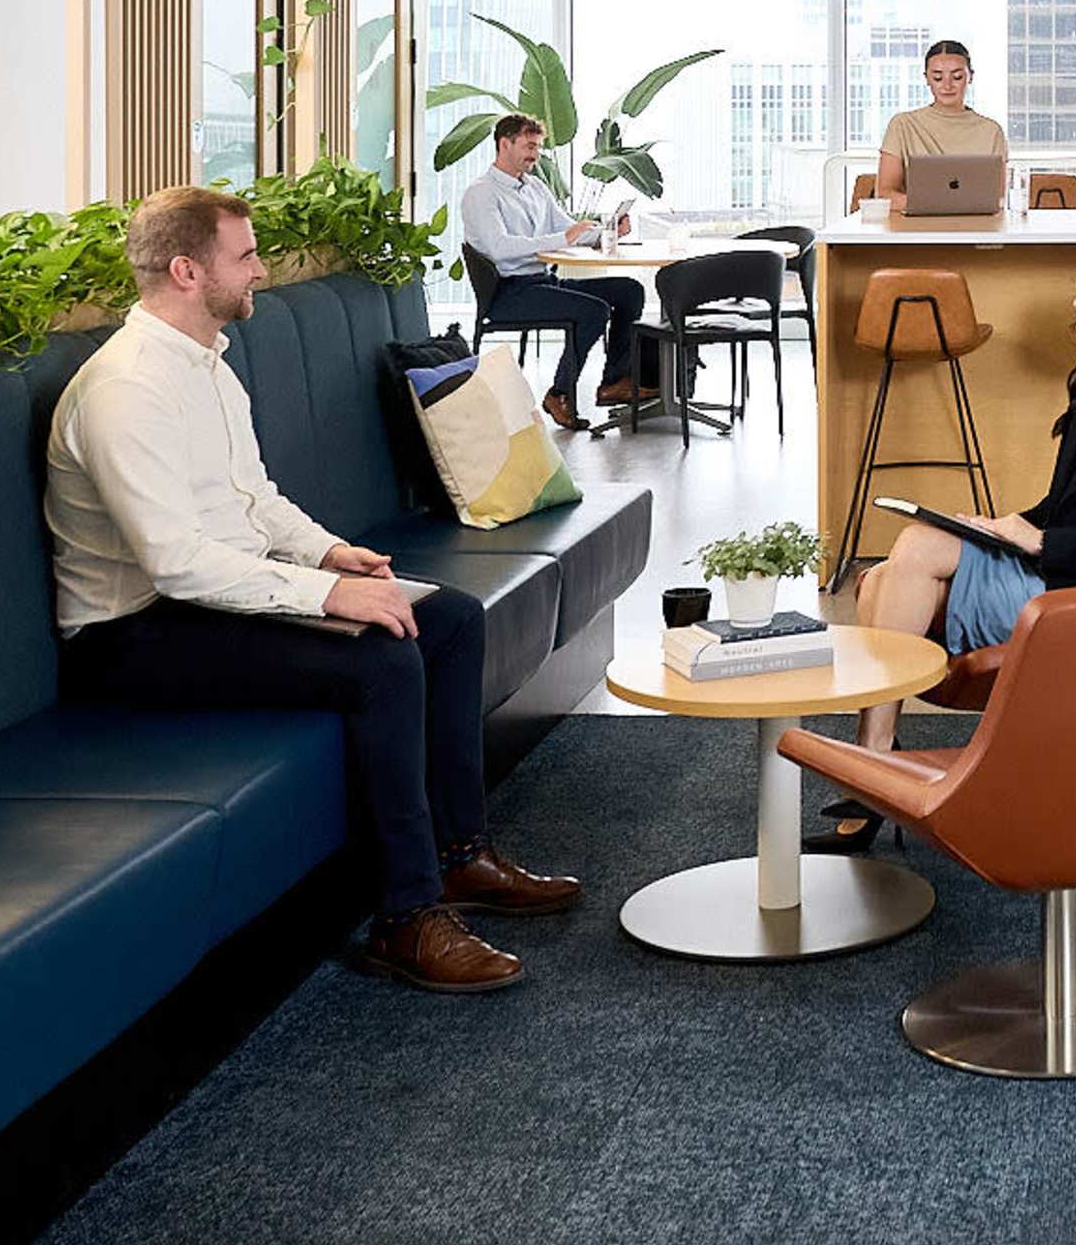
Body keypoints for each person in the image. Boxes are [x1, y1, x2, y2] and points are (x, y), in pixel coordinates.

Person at [46, 185, 582, 993]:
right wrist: (324, 598)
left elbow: (253, 498)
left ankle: (460, 855)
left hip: (208, 597)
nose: (262, 270)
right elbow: (174, 561)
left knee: (450, 619)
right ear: (188, 270)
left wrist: (332, 555)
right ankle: (404, 918)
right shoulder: (126, 388)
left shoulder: (208, 363)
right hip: (134, 632)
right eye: (246, 256)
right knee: (382, 661)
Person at [814, 231, 1076, 855]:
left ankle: (873, 766)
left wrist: (1042, 542)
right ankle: (877, 762)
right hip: (1051, 563)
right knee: (893, 568)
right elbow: (1061, 506)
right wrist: (1004, 524)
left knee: (910, 555)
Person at [458, 114, 647, 432]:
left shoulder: (534, 187)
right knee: (594, 311)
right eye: (528, 146)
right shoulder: (481, 193)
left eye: (537, 147)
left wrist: (609, 232)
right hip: (509, 292)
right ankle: (559, 394)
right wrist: (565, 238)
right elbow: (500, 247)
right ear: (505, 144)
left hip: (543, 283)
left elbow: (566, 228)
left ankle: (614, 381)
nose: (535, 154)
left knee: (629, 290)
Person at [875, 36, 1009, 192]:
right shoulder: (903, 125)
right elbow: (885, 193)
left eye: (957, 77)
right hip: (916, 216)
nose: (947, 85)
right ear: (926, 79)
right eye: (938, 77)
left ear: (970, 76)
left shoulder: (991, 131)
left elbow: (997, 198)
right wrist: (930, 206)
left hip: (975, 217)